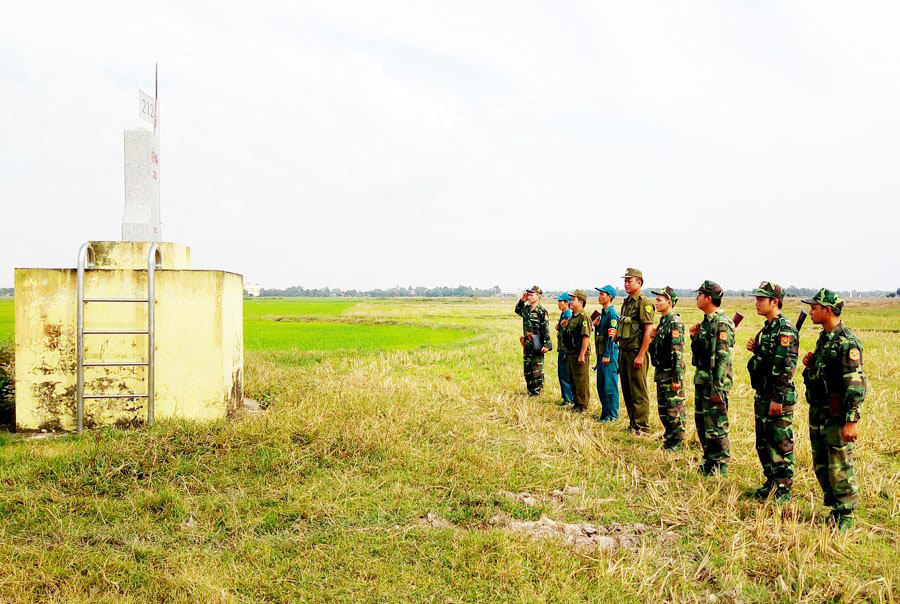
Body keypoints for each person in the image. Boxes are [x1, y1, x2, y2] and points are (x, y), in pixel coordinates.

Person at [801, 288, 866, 532]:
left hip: (836, 415)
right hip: (819, 411)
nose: (810, 312)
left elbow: (855, 383)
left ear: (827, 310)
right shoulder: (824, 338)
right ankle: (835, 509)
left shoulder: (846, 341)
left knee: (840, 464)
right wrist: (811, 366)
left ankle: (846, 514)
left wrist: (851, 420)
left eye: (814, 308)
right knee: (822, 464)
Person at [745, 281, 798, 504]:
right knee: (763, 442)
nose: (756, 303)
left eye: (761, 299)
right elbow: (769, 360)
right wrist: (756, 350)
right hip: (764, 394)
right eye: (756, 298)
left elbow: (786, 367)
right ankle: (772, 482)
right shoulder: (767, 328)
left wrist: (778, 398)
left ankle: (783, 489)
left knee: (780, 442)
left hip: (777, 396)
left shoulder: (785, 329)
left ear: (774, 302)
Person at [689, 280, 735, 477]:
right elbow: (701, 354)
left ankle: (720, 464)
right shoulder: (706, 322)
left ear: (708, 298)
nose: (696, 298)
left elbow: (723, 357)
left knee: (716, 424)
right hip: (702, 380)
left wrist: (717, 388)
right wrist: (695, 338)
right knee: (703, 422)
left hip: (714, 383)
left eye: (699, 295)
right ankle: (710, 460)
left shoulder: (721, 322)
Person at [617, 268, 655, 434]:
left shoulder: (644, 303)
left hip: (636, 352)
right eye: (625, 280)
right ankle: (633, 423)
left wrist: (641, 355)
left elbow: (648, 331)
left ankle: (642, 426)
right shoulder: (627, 302)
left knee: (638, 390)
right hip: (624, 351)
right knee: (627, 389)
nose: (626, 283)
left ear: (639, 283)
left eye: (629, 280)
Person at [648, 286, 686, 451]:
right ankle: (669, 439)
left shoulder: (674, 322)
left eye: (659, 299)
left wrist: (676, 377)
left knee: (674, 409)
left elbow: (677, 352)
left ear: (669, 302)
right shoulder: (663, 322)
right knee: (664, 410)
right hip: (661, 372)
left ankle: (676, 441)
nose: (656, 302)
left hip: (670, 373)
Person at [515, 286, 552, 396]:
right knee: (527, 368)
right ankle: (530, 390)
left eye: (532, 294)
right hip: (527, 344)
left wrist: (546, 345)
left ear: (538, 296)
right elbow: (517, 310)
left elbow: (546, 329)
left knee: (537, 369)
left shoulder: (542, 311)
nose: (529, 296)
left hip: (537, 344)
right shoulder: (526, 309)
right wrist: (522, 299)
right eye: (528, 294)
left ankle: (537, 391)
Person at [593, 285, 620, 422]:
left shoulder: (612, 314)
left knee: (610, 385)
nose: (600, 296)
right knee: (601, 385)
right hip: (601, 353)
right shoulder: (602, 314)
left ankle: (612, 415)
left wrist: (607, 354)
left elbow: (612, 337)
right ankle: (605, 413)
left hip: (608, 353)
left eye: (602, 294)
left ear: (609, 296)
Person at [563, 289, 593, 412]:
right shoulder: (572, 317)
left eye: (573, 300)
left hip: (579, 352)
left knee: (581, 380)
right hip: (571, 352)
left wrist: (581, 355)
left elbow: (586, 336)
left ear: (581, 302)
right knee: (573, 378)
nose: (570, 302)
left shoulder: (583, 317)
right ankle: (576, 403)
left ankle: (582, 405)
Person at [555, 293, 575, 405]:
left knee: (565, 374)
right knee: (562, 373)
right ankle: (566, 397)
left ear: (567, 303)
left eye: (561, 301)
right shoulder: (563, 314)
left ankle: (568, 399)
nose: (559, 304)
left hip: (566, 349)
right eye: (558, 301)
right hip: (562, 347)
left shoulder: (568, 314)